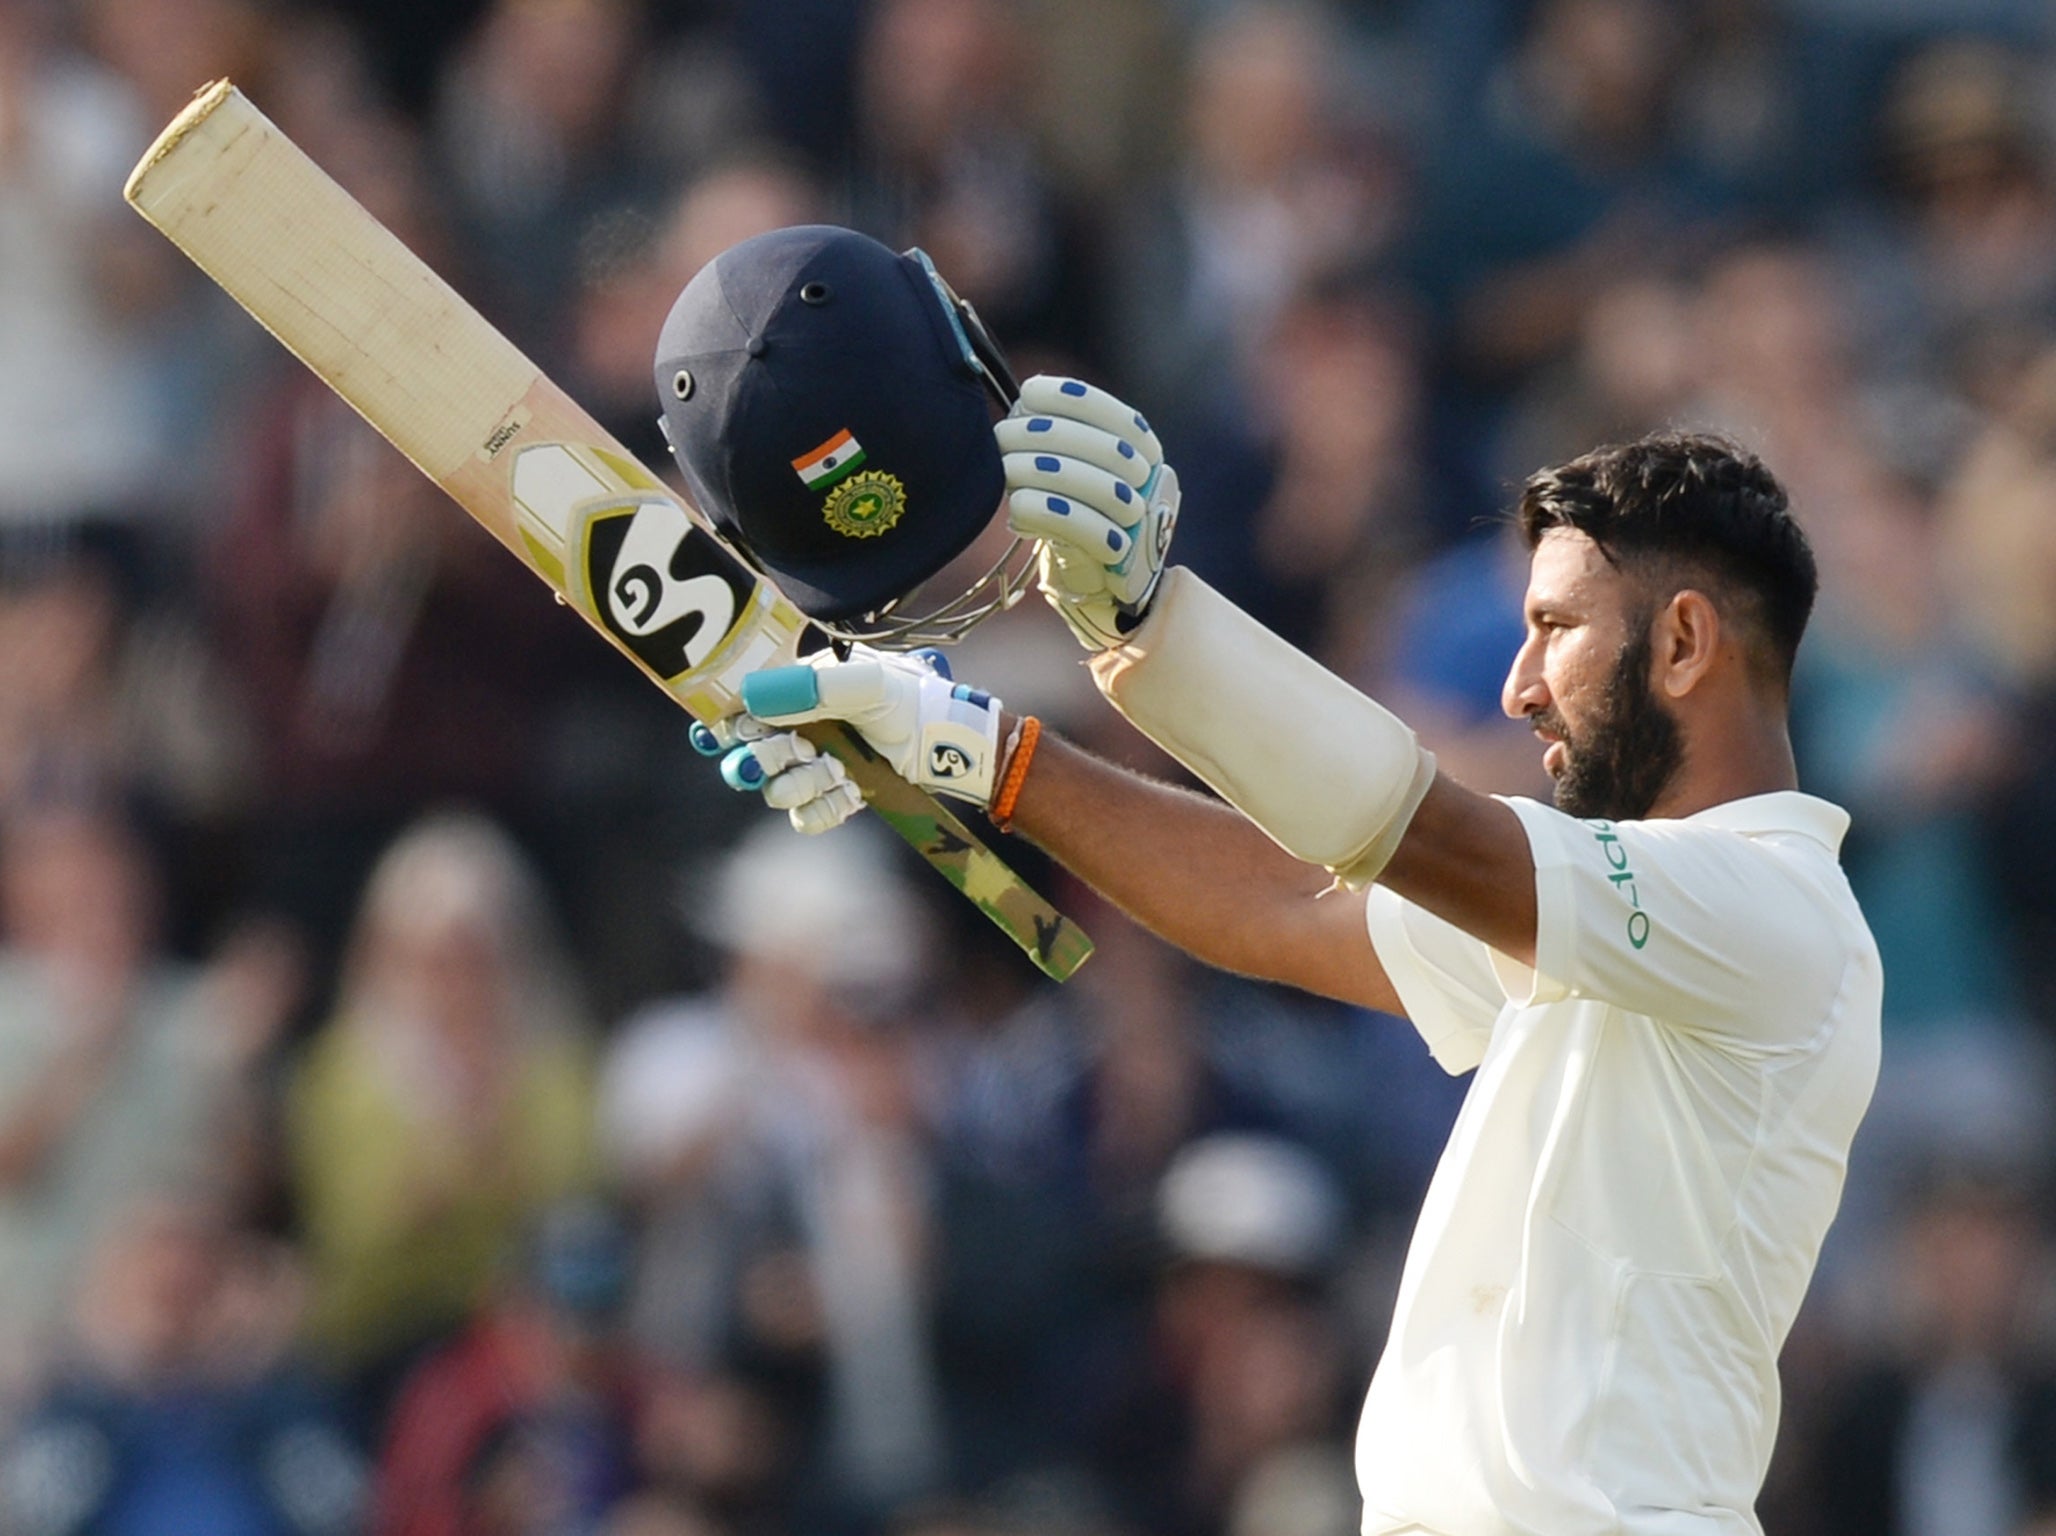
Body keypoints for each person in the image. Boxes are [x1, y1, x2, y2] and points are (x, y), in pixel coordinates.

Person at [654, 231, 1881, 1533]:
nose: (1519, 690)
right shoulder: (1628, 927)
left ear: (1686, 641)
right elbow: (1290, 910)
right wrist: (977, 751)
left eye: (1556, 631)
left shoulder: (1773, 914)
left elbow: (1406, 830)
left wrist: (1146, 620)